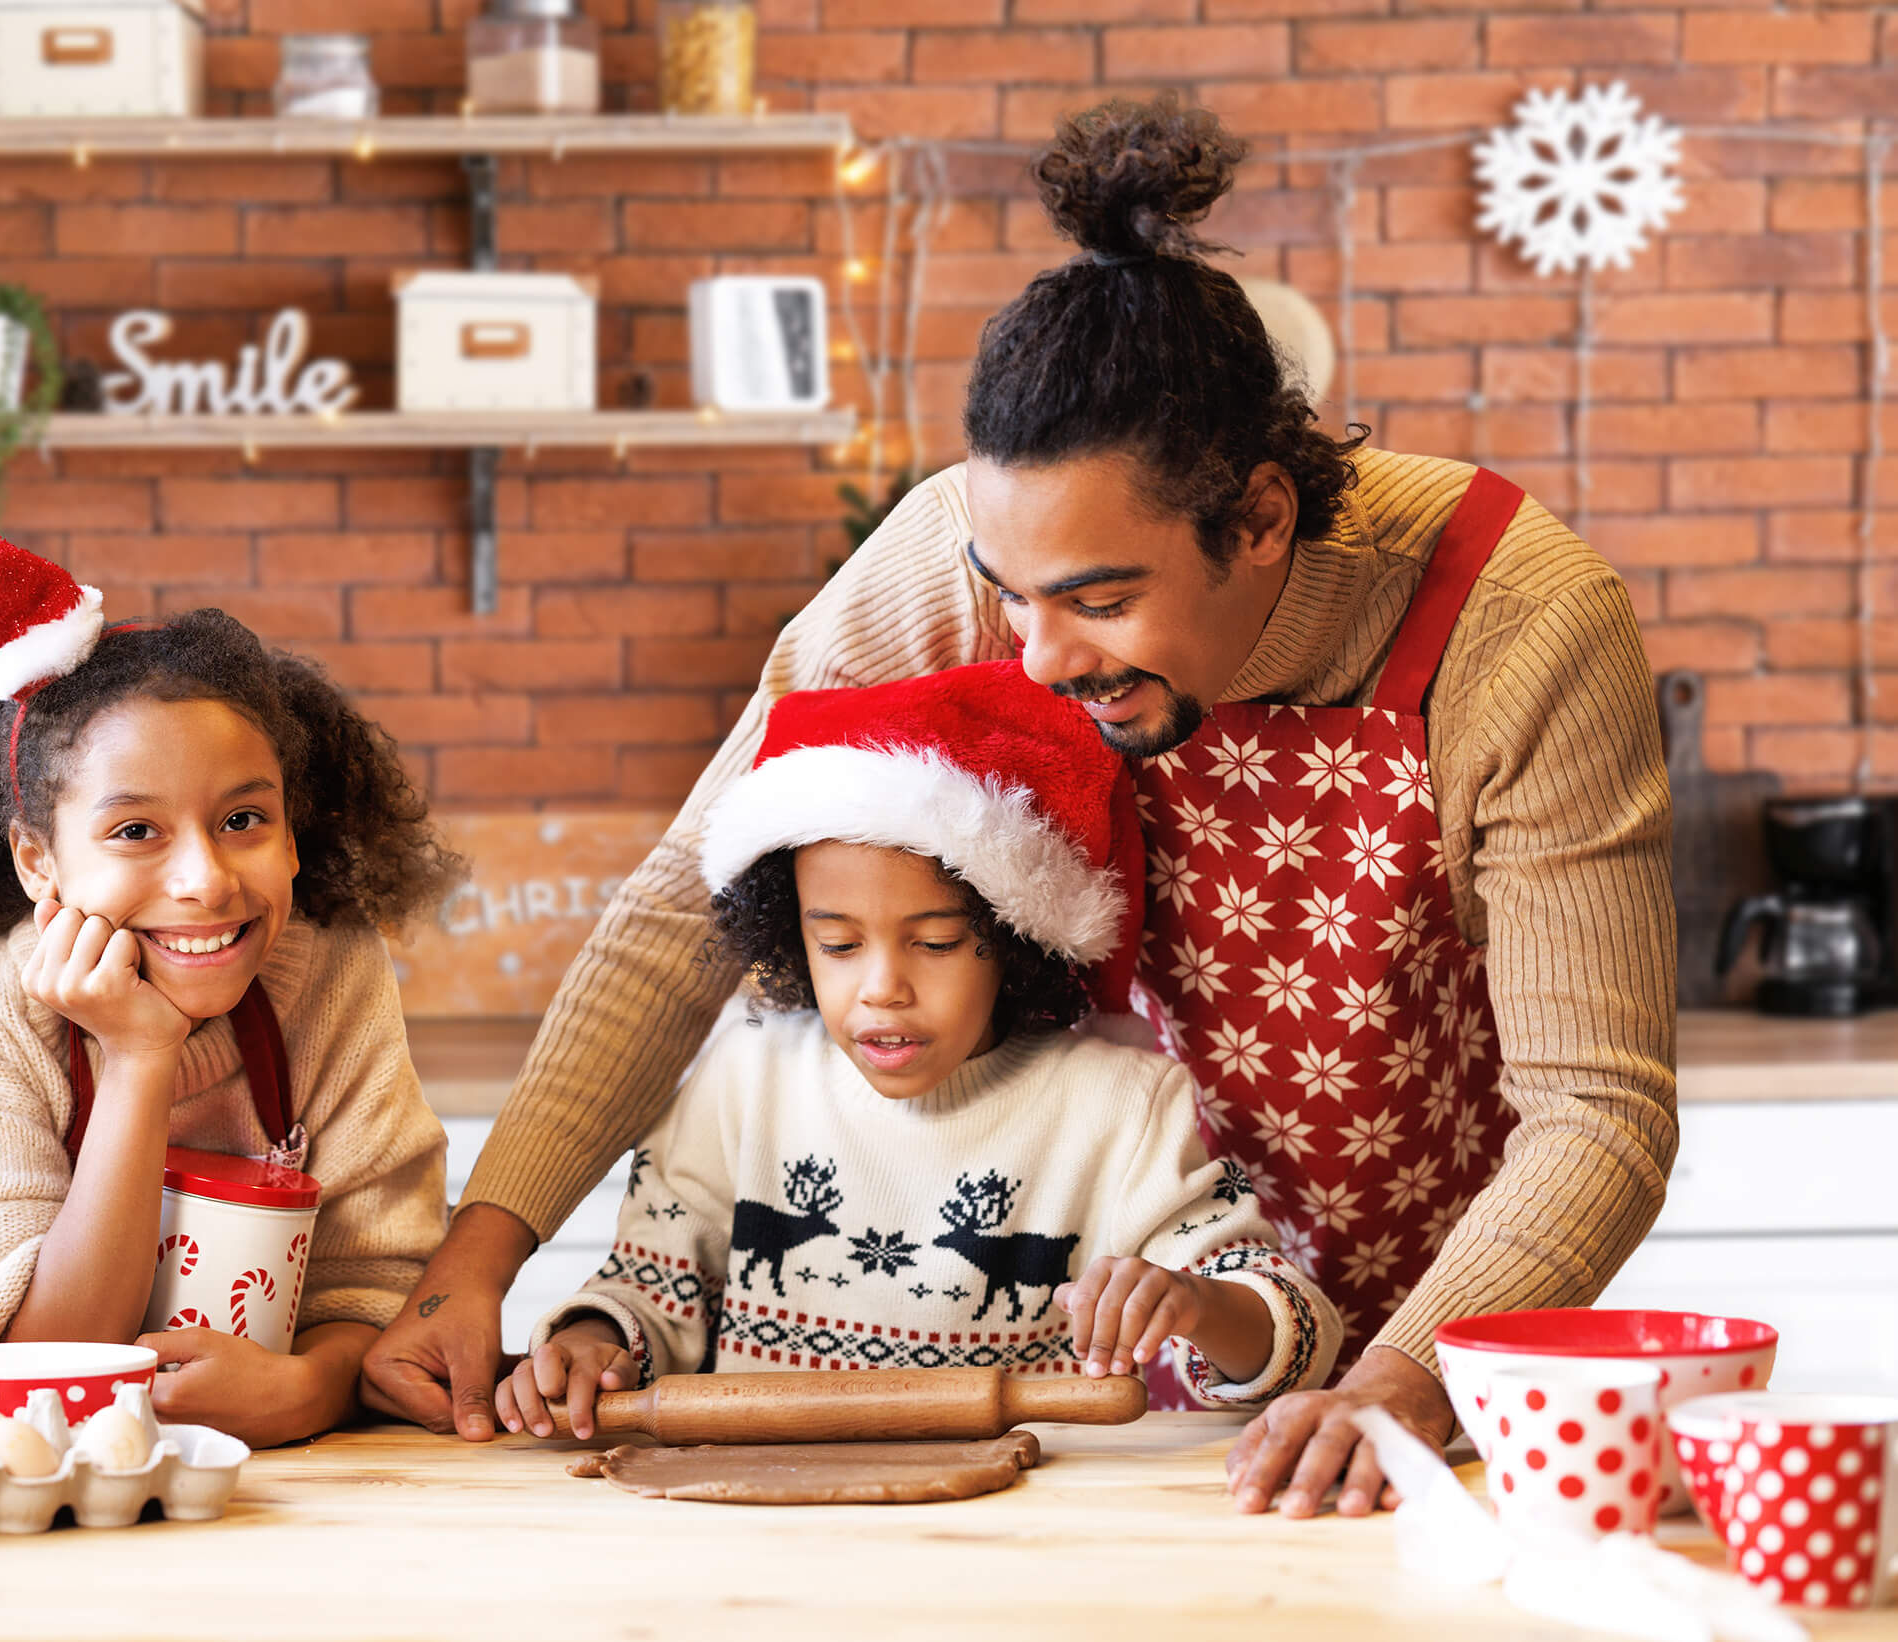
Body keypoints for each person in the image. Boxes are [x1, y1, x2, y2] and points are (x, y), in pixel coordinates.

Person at [365, 94, 1677, 1521]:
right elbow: (690, 901)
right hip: (1086, 1393)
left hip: (1422, 1354)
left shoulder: (1524, 622)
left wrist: (1400, 1379)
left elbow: (1596, 1113)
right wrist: (473, 1265)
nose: (1040, 654)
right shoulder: (963, 553)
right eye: (1013, 595)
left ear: (1259, 520)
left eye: (1103, 600)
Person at [0, 532, 460, 1450]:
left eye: (244, 819)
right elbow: (30, 1365)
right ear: (39, 860)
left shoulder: (331, 972)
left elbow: (375, 1280)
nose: (205, 878)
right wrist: (137, 1057)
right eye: (135, 831)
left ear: (292, 833)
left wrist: (310, 1390)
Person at [494, 662, 1341, 1439]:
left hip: (1011, 1541)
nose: (881, 988)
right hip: (755, 1535)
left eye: (935, 944)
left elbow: (1295, 1336)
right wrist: (593, 1339)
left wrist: (1196, 1304)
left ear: (1018, 941)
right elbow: (651, 1294)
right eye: (837, 944)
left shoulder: (1121, 1106)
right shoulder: (744, 1077)